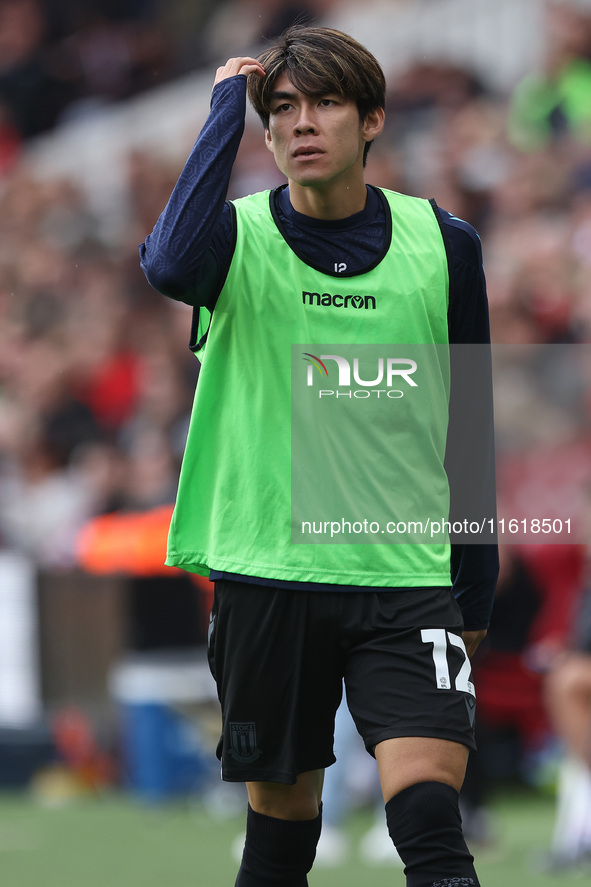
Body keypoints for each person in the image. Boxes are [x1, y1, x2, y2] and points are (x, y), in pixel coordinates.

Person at [139, 25, 498, 887]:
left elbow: (471, 432)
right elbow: (166, 263)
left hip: (404, 575)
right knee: (281, 828)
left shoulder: (442, 245)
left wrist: (473, 586)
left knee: (427, 817)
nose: (301, 123)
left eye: (325, 102)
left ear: (371, 119)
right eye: (283, 109)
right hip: (269, 573)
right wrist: (228, 102)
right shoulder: (230, 242)